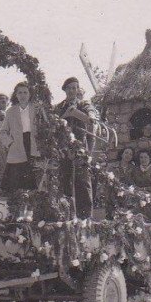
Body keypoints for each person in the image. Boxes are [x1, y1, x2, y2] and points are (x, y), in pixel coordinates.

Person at [53, 76, 99, 218]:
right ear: (65, 90)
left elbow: (91, 112)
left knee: (83, 182)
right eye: (70, 88)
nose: (73, 90)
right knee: (65, 180)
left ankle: (85, 217)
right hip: (64, 149)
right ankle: (67, 215)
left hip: (80, 149)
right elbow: (53, 123)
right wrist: (66, 114)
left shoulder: (83, 104)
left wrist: (90, 116)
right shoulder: (59, 107)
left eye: (75, 87)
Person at [0, 81, 44, 193]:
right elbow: (3, 131)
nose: (22, 95)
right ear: (16, 95)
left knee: (35, 178)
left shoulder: (37, 108)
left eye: (25, 92)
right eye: (20, 93)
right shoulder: (10, 111)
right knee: (16, 181)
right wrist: (10, 143)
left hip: (33, 145)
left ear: (30, 94)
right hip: (17, 145)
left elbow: (45, 127)